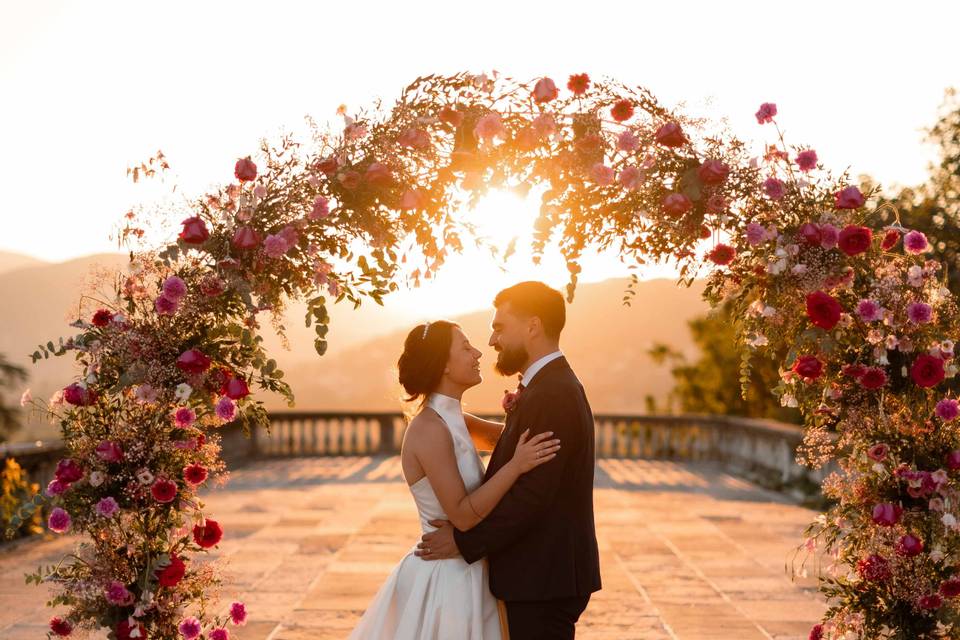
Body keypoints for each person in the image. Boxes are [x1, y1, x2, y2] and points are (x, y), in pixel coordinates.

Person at [349, 318, 560, 639]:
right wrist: (516, 466)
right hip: (448, 577)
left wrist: (518, 410)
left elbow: (505, 441)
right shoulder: (429, 428)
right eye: (465, 348)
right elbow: (461, 515)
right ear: (443, 365)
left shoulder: (452, 417)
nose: (477, 353)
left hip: (471, 567)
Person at [417, 281, 602, 639]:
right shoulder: (544, 387)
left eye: (499, 328)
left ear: (532, 326)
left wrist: (462, 543)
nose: (490, 342)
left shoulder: (554, 393)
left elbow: (532, 496)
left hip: (544, 578)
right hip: (539, 575)